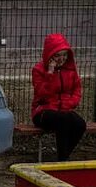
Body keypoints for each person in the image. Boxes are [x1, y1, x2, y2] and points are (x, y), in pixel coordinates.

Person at [30, 33, 87, 161]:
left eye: (64, 55)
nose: (62, 59)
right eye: (58, 55)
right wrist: (50, 73)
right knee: (64, 120)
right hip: (43, 112)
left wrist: (69, 103)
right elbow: (42, 94)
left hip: (64, 110)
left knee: (80, 124)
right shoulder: (38, 70)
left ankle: (64, 156)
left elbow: (77, 90)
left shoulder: (71, 70)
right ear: (50, 55)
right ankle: (62, 159)